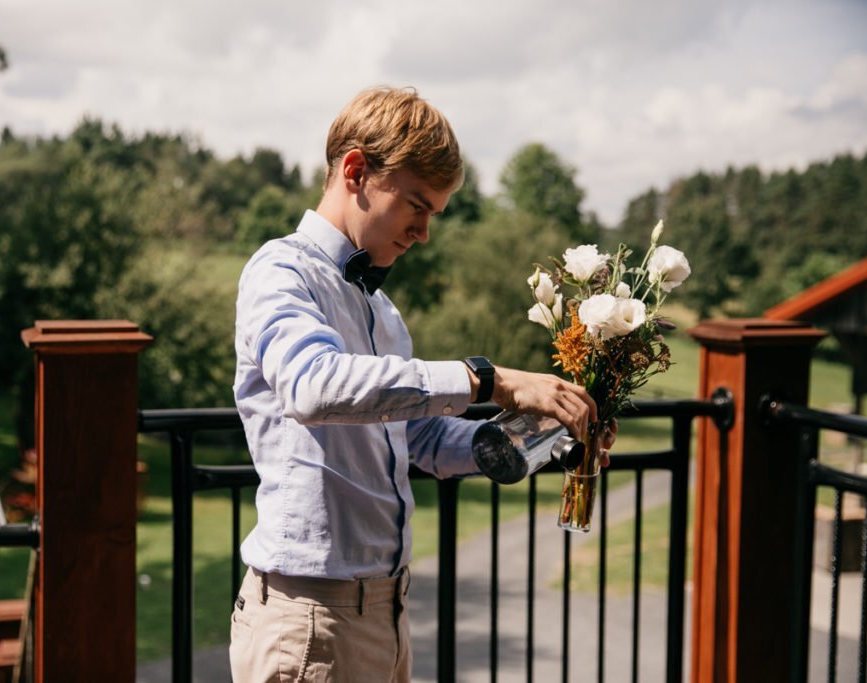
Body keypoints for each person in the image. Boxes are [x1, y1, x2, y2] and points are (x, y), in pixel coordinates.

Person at [230, 86, 605, 682]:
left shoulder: (384, 312)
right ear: (356, 170)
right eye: (417, 206)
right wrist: (488, 379)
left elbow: (421, 441)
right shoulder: (280, 272)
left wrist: (544, 437)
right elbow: (312, 385)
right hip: (310, 621)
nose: (423, 232)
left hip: (389, 612)